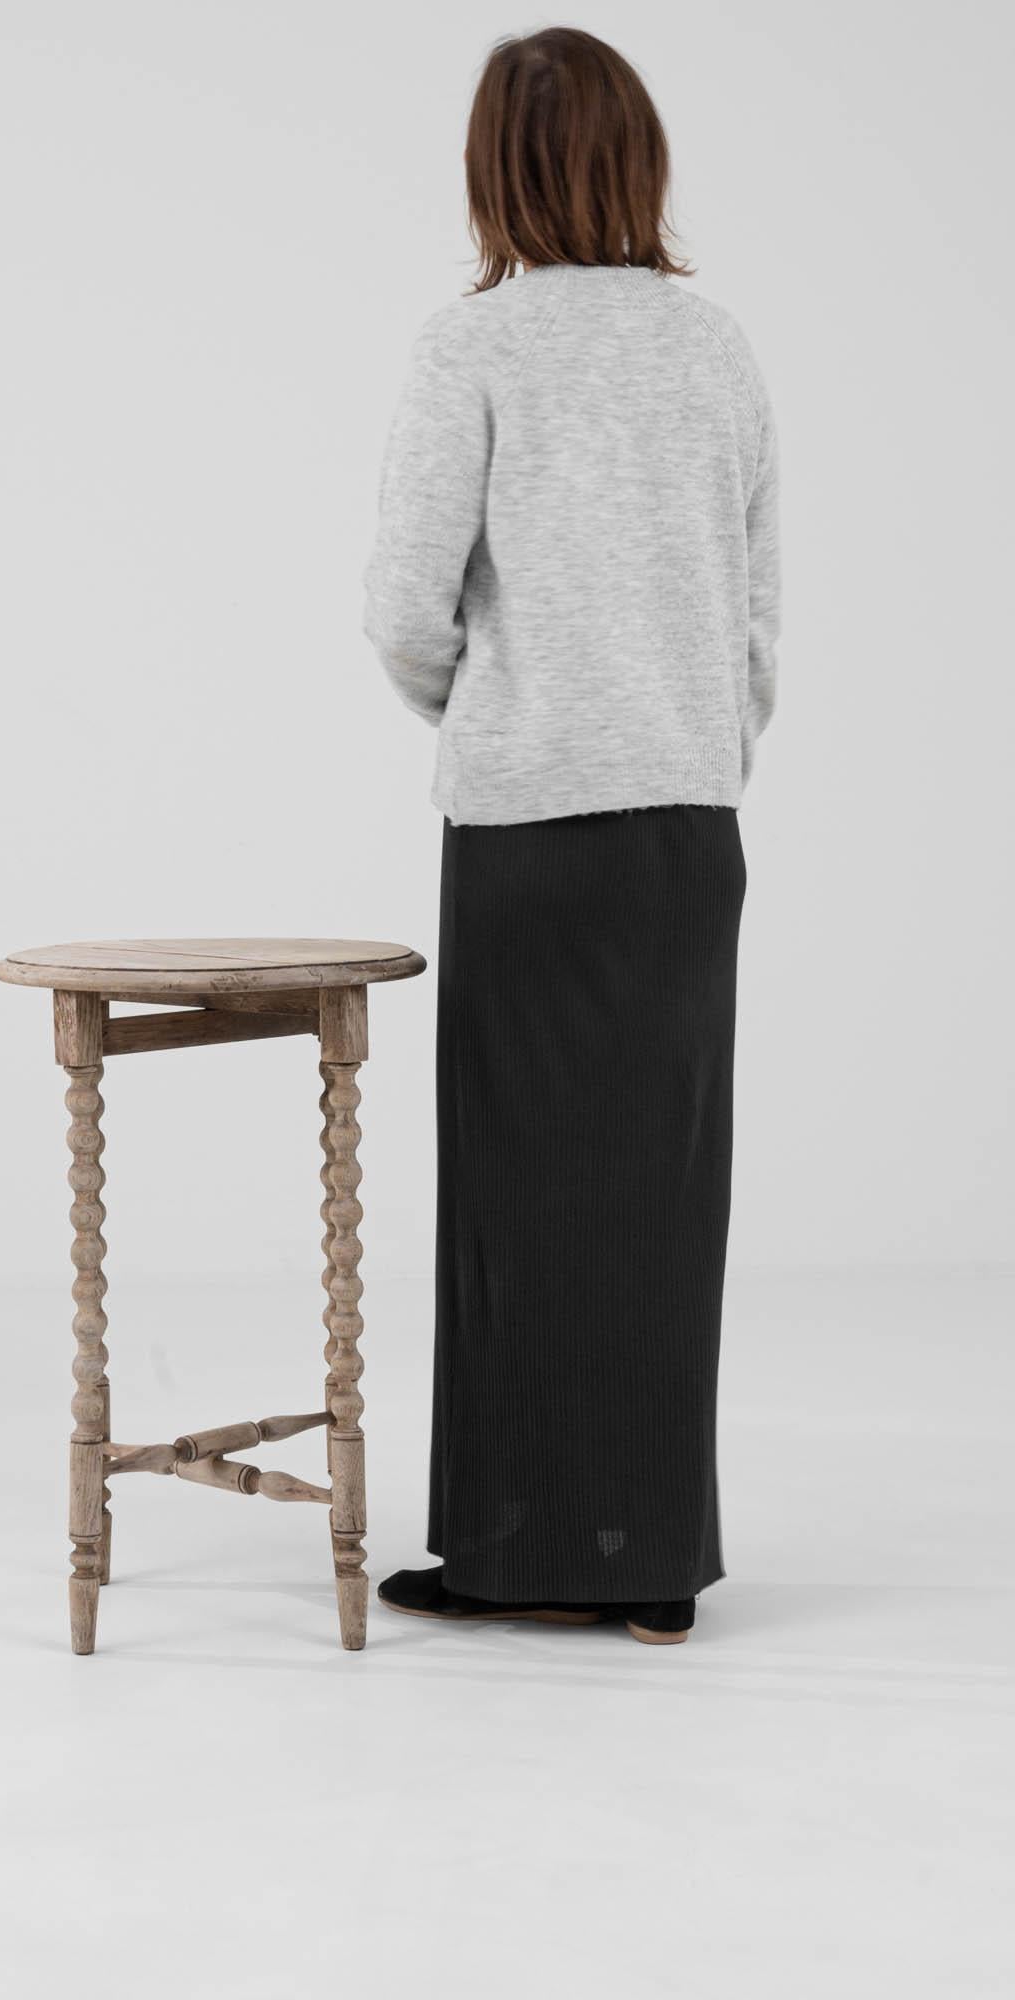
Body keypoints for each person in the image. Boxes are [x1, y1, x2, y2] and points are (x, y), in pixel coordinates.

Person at [364, 27, 780, 1645]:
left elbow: (403, 609)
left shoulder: (468, 351)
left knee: (515, 1198)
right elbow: (754, 623)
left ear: (494, 172)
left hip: (530, 833)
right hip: (684, 832)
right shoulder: (719, 349)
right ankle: (651, 1562)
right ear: (642, 157)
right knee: (666, 1195)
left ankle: (513, 1548)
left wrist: (498, 711)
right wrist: (690, 731)